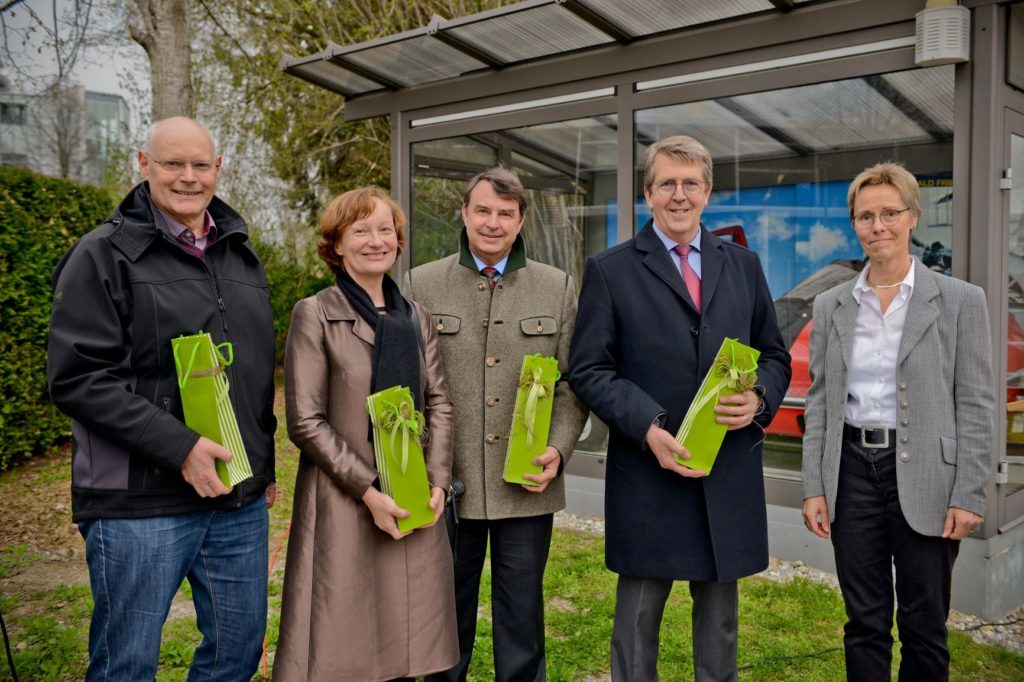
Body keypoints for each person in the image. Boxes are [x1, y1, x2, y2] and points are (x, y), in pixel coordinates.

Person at [47, 117, 277, 680]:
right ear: (143, 164)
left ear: (218, 170)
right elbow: (77, 377)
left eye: (200, 165)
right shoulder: (102, 254)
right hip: (138, 503)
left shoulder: (240, 254)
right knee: (127, 664)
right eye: (172, 163)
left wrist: (262, 464)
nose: (188, 177)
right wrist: (179, 447)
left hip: (234, 499)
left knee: (236, 652)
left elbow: (251, 371)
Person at [568, 135, 791, 681]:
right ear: (648, 193)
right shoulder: (610, 269)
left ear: (708, 192)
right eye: (667, 183)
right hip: (649, 470)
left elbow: (775, 355)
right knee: (638, 620)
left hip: (724, 470)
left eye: (691, 183)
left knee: (720, 624)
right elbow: (589, 369)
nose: (679, 195)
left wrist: (759, 395)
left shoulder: (743, 265)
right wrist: (647, 427)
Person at [801, 162, 993, 681]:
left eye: (890, 213)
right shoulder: (831, 304)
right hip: (852, 471)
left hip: (929, 472)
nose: (877, 226)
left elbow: (976, 401)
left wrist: (969, 491)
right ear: (854, 224)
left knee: (924, 622)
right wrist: (814, 485)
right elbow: (819, 401)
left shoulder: (960, 301)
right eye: (866, 216)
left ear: (912, 217)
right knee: (863, 621)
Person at [404, 166, 588, 682]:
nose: (492, 222)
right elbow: (408, 385)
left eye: (505, 213)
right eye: (482, 210)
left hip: (527, 486)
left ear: (521, 219)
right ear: (463, 213)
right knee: (444, 616)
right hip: (447, 486)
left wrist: (557, 449)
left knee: (522, 619)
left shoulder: (557, 287)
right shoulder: (421, 282)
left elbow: (573, 384)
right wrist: (421, 469)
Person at [274, 186, 458, 681]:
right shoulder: (314, 314)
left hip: (414, 493)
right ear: (336, 244)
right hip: (346, 499)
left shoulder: (415, 317)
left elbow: (438, 399)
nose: (375, 241)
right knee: (347, 646)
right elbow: (306, 421)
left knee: (407, 638)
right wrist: (370, 490)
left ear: (398, 242)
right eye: (361, 231)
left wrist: (437, 480)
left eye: (385, 230)